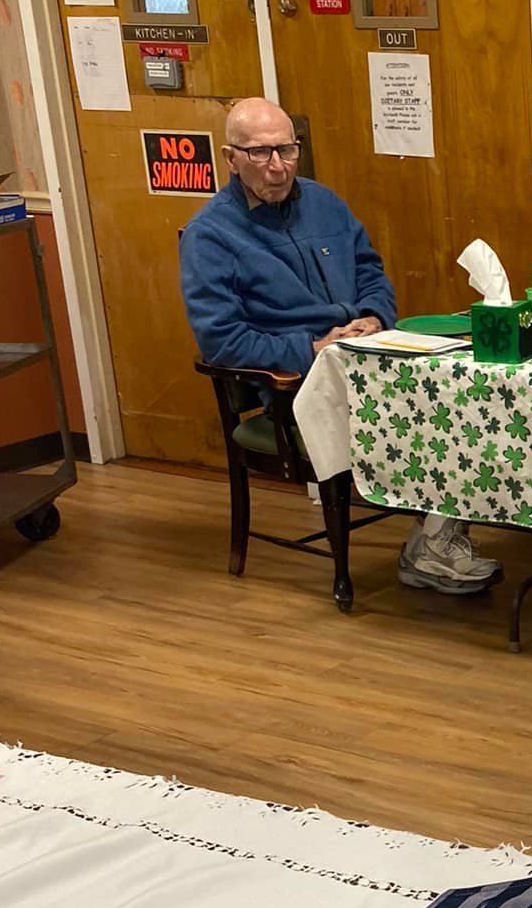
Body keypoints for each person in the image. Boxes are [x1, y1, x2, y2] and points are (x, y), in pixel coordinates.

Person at [180, 97, 499, 596]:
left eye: (287, 150)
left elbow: (371, 270)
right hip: (296, 383)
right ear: (230, 157)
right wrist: (311, 346)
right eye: (261, 154)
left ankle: (436, 537)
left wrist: (374, 316)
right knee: (434, 415)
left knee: (469, 393)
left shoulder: (324, 202)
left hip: (369, 355)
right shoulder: (210, 235)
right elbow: (221, 339)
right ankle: (432, 546)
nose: (278, 166)